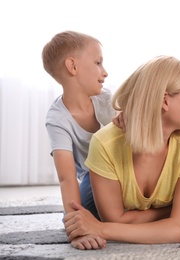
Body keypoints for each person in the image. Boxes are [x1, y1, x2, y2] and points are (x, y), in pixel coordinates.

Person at [63, 55, 180, 250]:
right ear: (164, 100)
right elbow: (114, 220)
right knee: (75, 215)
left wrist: (100, 229)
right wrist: (175, 213)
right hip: (92, 195)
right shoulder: (105, 142)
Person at [43, 31, 115, 229]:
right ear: (72, 66)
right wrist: (76, 225)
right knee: (82, 210)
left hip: (126, 171)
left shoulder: (107, 99)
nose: (105, 71)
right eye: (98, 63)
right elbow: (66, 178)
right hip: (95, 179)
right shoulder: (57, 119)